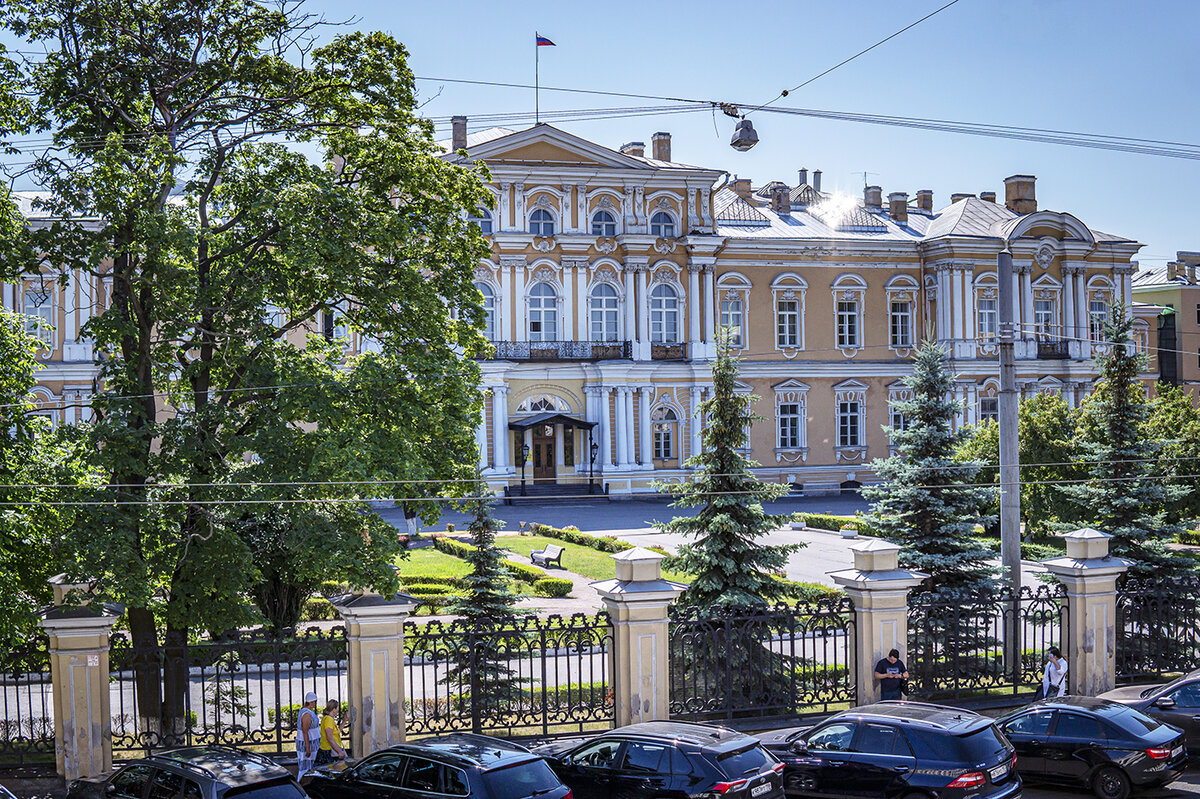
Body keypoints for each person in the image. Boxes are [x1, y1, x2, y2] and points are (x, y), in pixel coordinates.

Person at [315, 699, 347, 766]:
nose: (338, 710)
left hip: (328, 750)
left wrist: (345, 720)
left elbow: (338, 731)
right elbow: (329, 737)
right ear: (334, 709)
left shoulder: (328, 719)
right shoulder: (329, 719)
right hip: (328, 751)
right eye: (337, 707)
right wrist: (339, 751)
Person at [296, 692, 321, 774]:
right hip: (309, 744)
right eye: (314, 701)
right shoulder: (307, 714)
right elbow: (305, 732)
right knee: (306, 768)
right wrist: (308, 748)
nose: (315, 703)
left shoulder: (307, 711)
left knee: (309, 766)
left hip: (312, 743)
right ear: (311, 702)